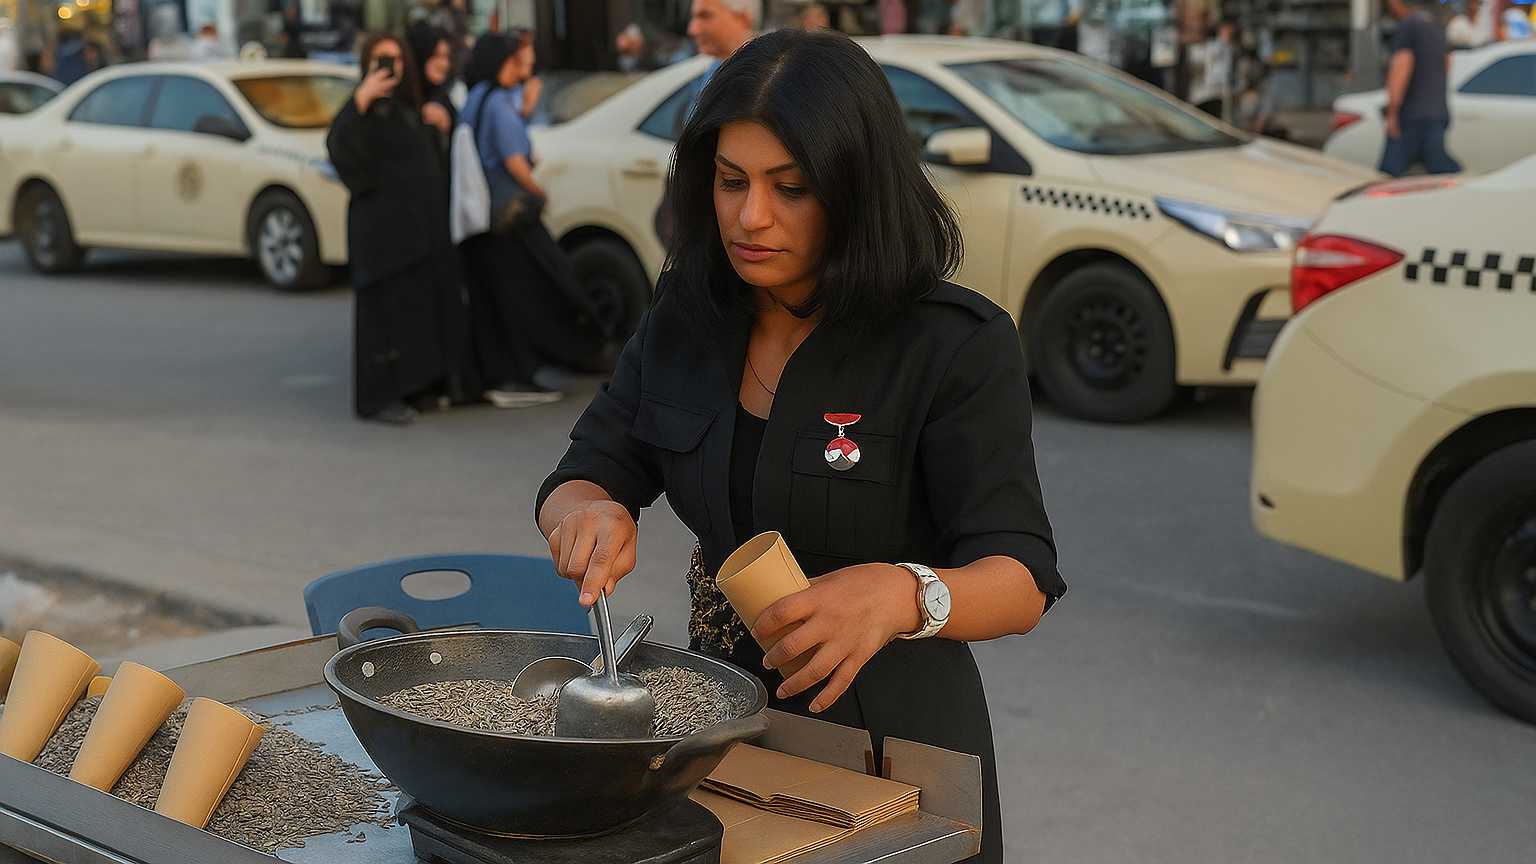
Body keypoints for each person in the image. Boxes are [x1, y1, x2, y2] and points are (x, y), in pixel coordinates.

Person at [537, 30, 1062, 864]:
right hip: (720, 728)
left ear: (856, 190)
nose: (752, 217)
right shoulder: (689, 314)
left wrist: (899, 595)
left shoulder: (952, 345)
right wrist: (587, 517)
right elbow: (588, 471)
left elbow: (1021, 578)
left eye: (792, 188)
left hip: (897, 750)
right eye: (731, 181)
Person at [460, 32, 608, 405]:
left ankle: (506, 372)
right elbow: (513, 160)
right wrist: (539, 191)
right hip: (511, 218)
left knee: (498, 297)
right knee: (537, 288)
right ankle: (521, 372)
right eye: (523, 55)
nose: (530, 61)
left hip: (484, 218)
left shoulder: (478, 96)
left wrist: (525, 107)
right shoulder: (498, 104)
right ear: (507, 61)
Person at [326, 33, 464, 424]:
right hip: (379, 235)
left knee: (413, 314)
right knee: (381, 320)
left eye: (397, 60)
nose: (392, 67)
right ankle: (378, 398)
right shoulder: (361, 108)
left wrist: (442, 125)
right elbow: (339, 148)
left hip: (416, 234)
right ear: (367, 63)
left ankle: (414, 387)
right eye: (381, 60)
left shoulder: (409, 107)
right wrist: (360, 100)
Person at [655, 0, 760, 248]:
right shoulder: (708, 74)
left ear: (742, 18)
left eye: (706, 16)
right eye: (694, 17)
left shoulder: (770, 77)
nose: (693, 29)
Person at [1380, 0, 1461, 177]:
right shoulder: (1436, 25)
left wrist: (1393, 111)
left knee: (1388, 177)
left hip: (1412, 115)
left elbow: (1402, 65)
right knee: (1438, 169)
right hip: (1436, 112)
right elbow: (1447, 63)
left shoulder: (1409, 26)